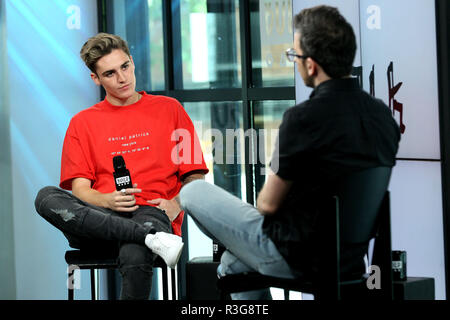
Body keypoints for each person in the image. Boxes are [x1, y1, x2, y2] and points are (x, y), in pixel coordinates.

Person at [179, 5, 400, 300]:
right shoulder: (383, 117)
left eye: (294, 56)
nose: (294, 62)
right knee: (233, 264)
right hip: (350, 259)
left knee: (193, 191)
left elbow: (267, 205)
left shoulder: (304, 118)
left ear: (311, 65)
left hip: (295, 256)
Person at [34, 33, 208, 300]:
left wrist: (175, 205)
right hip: (98, 220)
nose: (122, 78)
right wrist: (106, 200)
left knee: (134, 251)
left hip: (151, 211)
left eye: (125, 67)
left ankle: (145, 236)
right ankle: (149, 237)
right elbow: (80, 190)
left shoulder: (170, 109)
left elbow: (195, 177)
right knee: (46, 197)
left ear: (133, 62)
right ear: (96, 79)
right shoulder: (82, 123)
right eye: (110, 73)